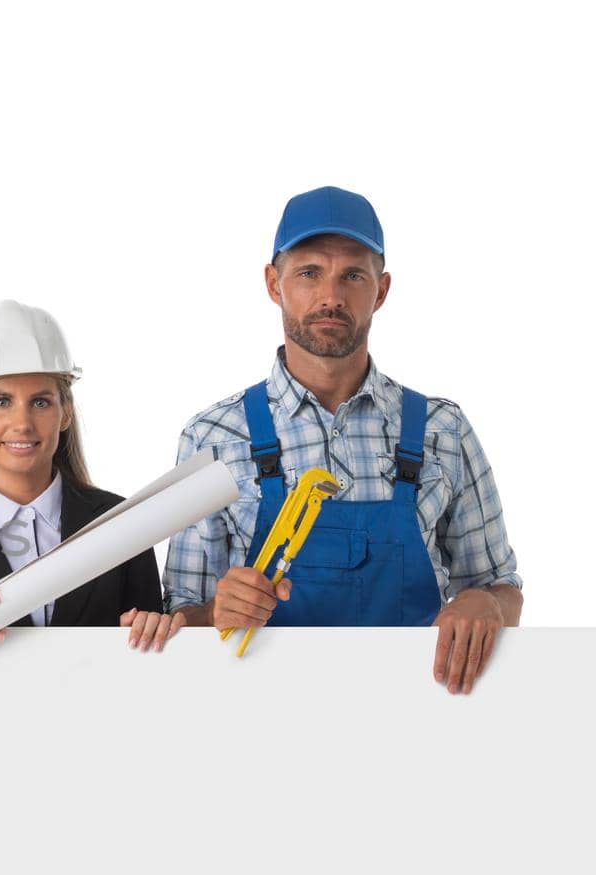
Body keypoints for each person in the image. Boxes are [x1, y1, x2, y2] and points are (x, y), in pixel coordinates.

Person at [164, 186, 522, 694]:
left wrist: (486, 603)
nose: (331, 296)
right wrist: (215, 613)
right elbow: (179, 618)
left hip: (417, 717)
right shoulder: (214, 438)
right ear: (273, 283)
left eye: (353, 275)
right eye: (309, 273)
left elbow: (502, 589)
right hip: (255, 720)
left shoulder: (444, 430)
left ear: (381, 289)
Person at [0, 300, 171, 646]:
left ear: (65, 412)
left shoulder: (123, 523)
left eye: (40, 402)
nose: (22, 424)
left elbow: (149, 662)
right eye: (1, 402)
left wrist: (152, 630)